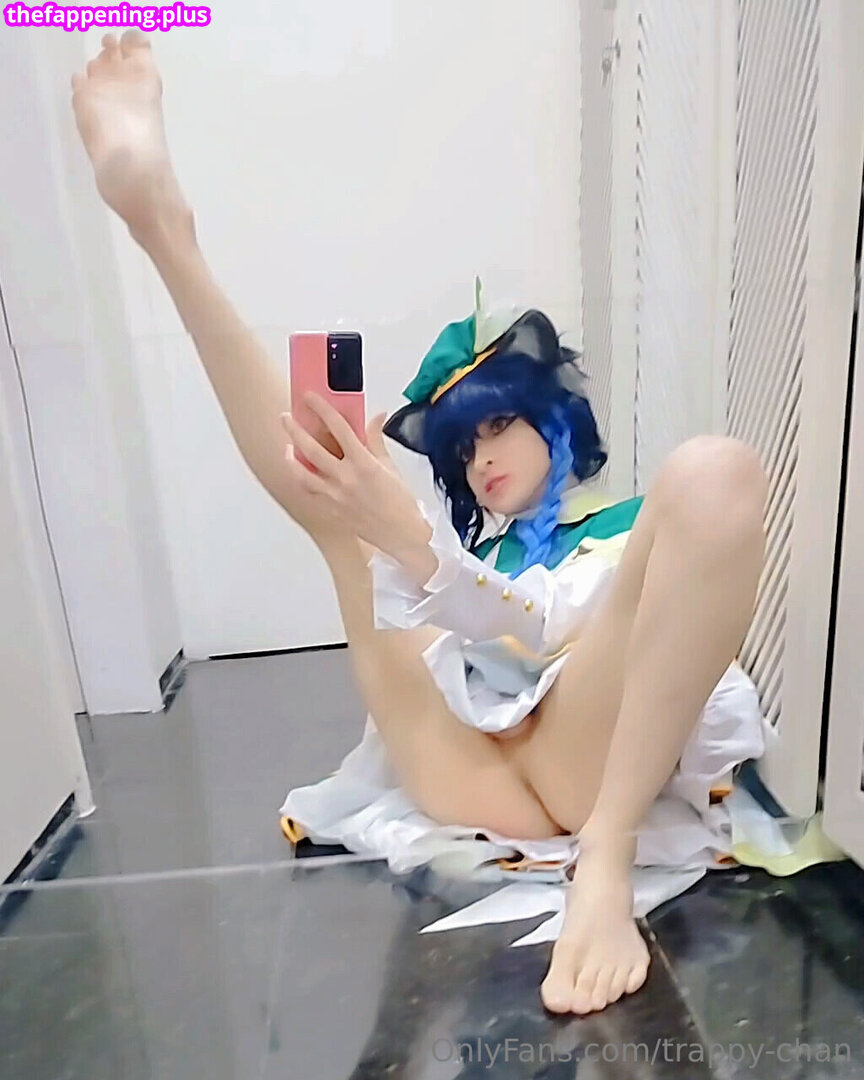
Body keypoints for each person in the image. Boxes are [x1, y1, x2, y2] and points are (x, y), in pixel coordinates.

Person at [71, 30, 768, 1015]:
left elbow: (552, 626)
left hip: (582, 767)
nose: (482, 459)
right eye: (463, 447)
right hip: (467, 768)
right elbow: (476, 614)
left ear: (554, 422)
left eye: (499, 426)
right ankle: (162, 229)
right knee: (342, 506)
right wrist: (405, 543)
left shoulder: (619, 528)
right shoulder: (459, 557)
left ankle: (602, 864)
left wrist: (415, 547)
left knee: (714, 474)